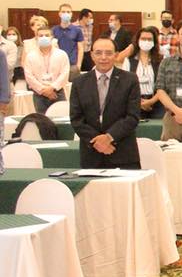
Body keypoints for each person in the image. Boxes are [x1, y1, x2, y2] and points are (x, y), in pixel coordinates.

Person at [68, 37, 141, 169]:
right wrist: (97, 141)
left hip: (122, 153)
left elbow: (132, 116)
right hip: (91, 154)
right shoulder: (79, 83)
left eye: (108, 53)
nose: (103, 57)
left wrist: (108, 137)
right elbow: (76, 119)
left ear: (116, 55)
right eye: (98, 53)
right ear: (91, 55)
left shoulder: (130, 80)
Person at [25, 25, 71, 114]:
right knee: (42, 123)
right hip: (39, 94)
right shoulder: (30, 56)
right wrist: (43, 90)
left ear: (52, 37)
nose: (44, 37)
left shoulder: (61, 54)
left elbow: (65, 73)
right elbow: (29, 76)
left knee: (61, 119)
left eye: (47, 35)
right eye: (41, 36)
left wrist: (52, 88)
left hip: (58, 92)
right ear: (36, 38)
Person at [127, 27, 165, 119]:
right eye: (143, 39)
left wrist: (151, 101)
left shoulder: (161, 61)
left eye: (149, 39)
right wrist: (139, 102)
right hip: (134, 102)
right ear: (138, 40)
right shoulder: (128, 61)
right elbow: (125, 85)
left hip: (156, 102)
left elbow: (163, 85)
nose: (146, 41)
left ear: (154, 42)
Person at [52, 3, 85, 80]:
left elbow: (80, 49)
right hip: (57, 65)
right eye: (63, 12)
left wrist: (79, 65)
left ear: (71, 14)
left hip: (72, 65)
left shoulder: (77, 30)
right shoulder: (54, 30)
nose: (66, 14)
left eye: (68, 12)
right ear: (59, 14)